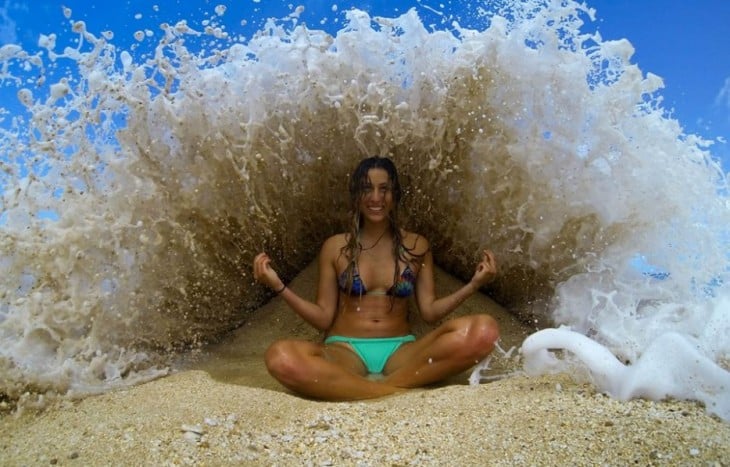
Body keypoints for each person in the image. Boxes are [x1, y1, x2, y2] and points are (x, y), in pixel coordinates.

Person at [253, 156, 499, 400]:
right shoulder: (335, 247)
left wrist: (474, 284)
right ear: (356, 195)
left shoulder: (417, 245)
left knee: (485, 331)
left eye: (385, 189)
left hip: (401, 350)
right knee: (280, 357)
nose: (376, 198)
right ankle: (390, 391)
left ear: (395, 195)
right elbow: (323, 317)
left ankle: (371, 388)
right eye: (367, 189)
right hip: (345, 349)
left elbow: (430, 311)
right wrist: (278, 285)